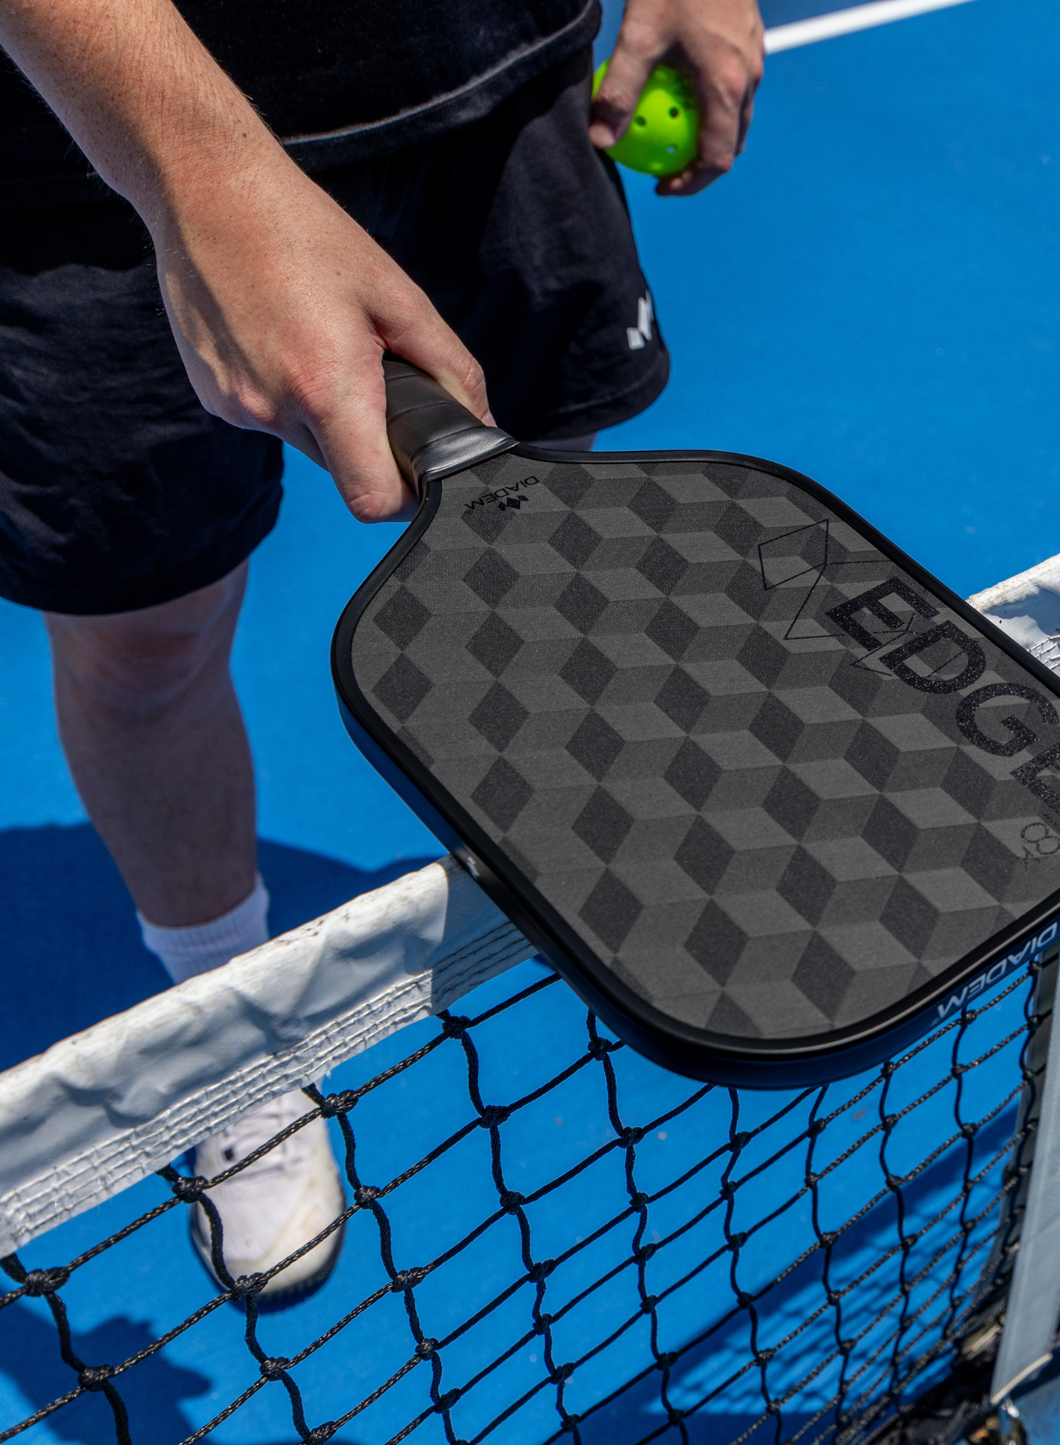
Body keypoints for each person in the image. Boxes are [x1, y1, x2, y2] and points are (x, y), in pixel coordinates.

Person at [0, 0, 764, 1302]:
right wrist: (205, 173)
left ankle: (566, 826)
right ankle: (228, 1033)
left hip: (494, 81)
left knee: (534, 516)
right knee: (144, 652)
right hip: (79, 164)